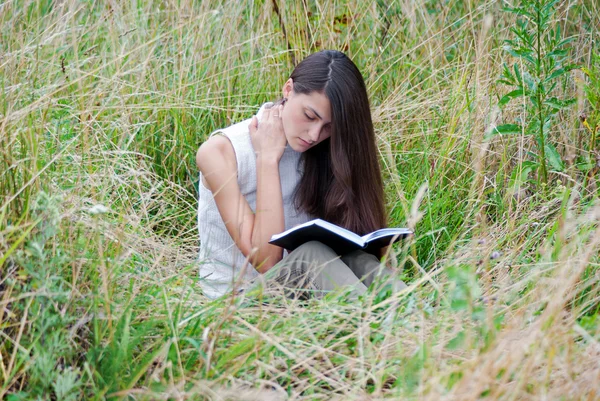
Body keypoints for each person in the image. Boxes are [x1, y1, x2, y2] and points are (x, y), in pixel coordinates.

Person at [196, 50, 405, 300]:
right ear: (288, 89)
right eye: (309, 116)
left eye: (329, 126)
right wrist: (267, 158)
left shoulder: (320, 150)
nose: (315, 135)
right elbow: (265, 261)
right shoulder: (220, 152)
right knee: (312, 254)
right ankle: (383, 331)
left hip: (304, 294)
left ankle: (425, 325)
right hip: (235, 306)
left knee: (359, 259)